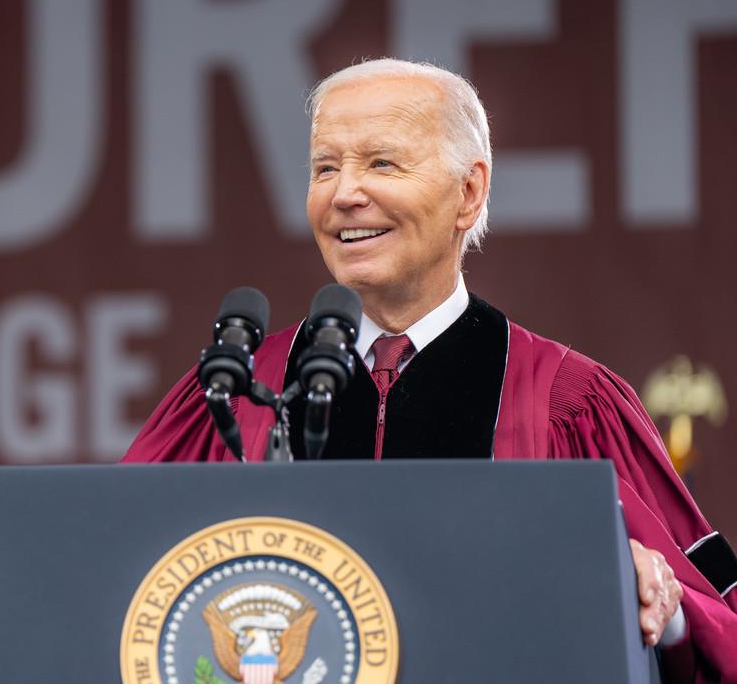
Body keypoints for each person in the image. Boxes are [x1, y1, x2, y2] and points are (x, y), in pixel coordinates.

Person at [121, 59, 737, 681]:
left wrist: (660, 602)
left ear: (468, 193)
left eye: (381, 163)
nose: (344, 195)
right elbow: (112, 586)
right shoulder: (238, 395)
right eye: (325, 167)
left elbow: (717, 620)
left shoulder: (566, 401)